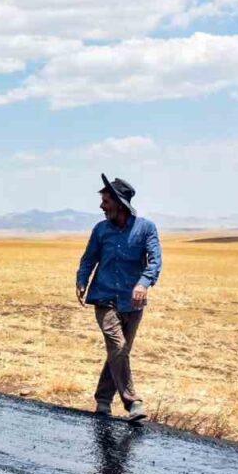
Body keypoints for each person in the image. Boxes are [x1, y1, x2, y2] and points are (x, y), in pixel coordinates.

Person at [75, 174, 161, 421]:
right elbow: (89, 258)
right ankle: (133, 402)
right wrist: (81, 279)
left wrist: (144, 283)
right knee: (118, 346)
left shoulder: (146, 228)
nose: (101, 206)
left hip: (133, 303)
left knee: (118, 353)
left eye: (106, 201)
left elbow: (155, 261)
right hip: (104, 298)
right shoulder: (100, 230)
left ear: (120, 203)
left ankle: (103, 400)